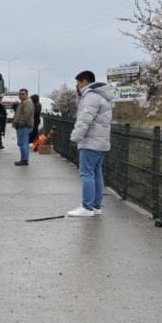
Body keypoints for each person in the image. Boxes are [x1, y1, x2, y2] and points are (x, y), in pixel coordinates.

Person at [67, 70, 116, 217]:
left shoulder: (90, 97)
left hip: (90, 141)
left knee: (86, 173)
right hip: (101, 141)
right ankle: (95, 206)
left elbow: (84, 120)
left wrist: (75, 137)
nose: (77, 86)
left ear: (84, 81)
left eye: (78, 83)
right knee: (96, 174)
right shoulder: (102, 96)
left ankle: (86, 207)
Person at [11, 88, 35, 166]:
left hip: (24, 126)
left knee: (23, 143)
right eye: (20, 94)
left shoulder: (28, 103)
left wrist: (20, 123)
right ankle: (24, 159)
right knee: (22, 143)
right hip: (22, 126)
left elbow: (26, 116)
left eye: (23, 94)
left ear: (27, 94)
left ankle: (24, 160)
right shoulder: (23, 103)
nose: (21, 96)